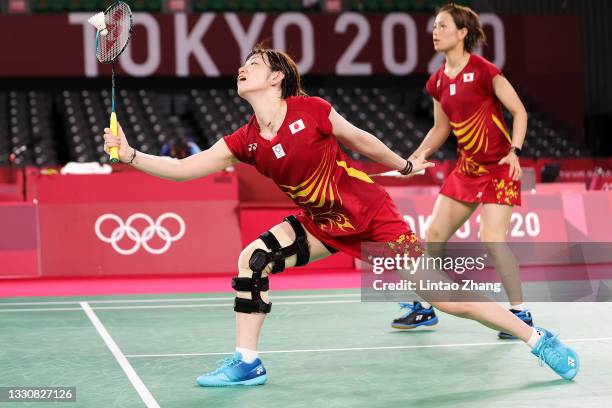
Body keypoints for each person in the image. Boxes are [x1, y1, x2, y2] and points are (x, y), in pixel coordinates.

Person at [102, 45, 579, 386]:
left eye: (254, 64)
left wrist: (404, 164)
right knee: (252, 259)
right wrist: (131, 155)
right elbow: (185, 169)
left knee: (447, 298)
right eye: (243, 64)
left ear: (276, 79)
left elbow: (362, 140)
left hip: (371, 217)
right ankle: (247, 362)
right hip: (321, 224)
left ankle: (536, 338)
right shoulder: (244, 139)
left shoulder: (311, 110)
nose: (243, 69)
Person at [391, 3, 532, 339]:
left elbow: (520, 112)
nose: (435, 32)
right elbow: (441, 129)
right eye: (435, 27)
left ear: (462, 33)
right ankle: (426, 307)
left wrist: (515, 150)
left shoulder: (486, 71)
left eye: (442, 26)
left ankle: (520, 313)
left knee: (493, 240)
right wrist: (413, 159)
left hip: (499, 167)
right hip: (466, 170)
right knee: (435, 235)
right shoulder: (437, 81)